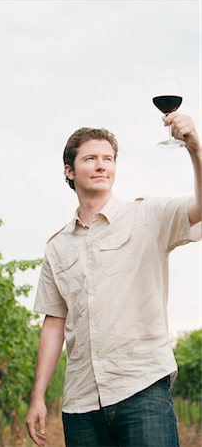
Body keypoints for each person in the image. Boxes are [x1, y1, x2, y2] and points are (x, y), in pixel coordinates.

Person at [25, 112, 201, 447]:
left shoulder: (147, 216)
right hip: (81, 404)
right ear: (69, 171)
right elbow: (54, 323)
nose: (101, 165)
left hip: (142, 389)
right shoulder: (57, 246)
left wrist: (194, 148)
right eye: (90, 158)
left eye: (108, 159)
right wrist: (38, 397)